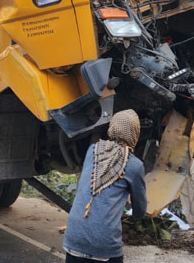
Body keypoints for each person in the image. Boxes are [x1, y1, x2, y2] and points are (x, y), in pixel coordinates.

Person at [63, 109, 147, 263]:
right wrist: (133, 217)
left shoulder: (93, 151)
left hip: (73, 238)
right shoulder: (135, 165)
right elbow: (140, 210)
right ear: (135, 133)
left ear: (112, 128)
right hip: (104, 245)